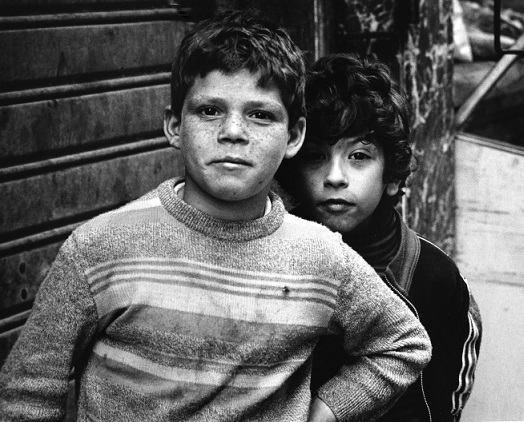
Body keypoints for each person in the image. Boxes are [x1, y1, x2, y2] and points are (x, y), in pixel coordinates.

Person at [0, 12, 432, 422]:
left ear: (295, 135)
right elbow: (27, 394)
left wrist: (323, 413)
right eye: (210, 111)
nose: (233, 132)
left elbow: (402, 344)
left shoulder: (321, 258)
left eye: (260, 115)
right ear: (173, 126)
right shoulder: (101, 248)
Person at [276, 53, 482, 422]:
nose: (335, 177)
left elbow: (444, 402)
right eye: (316, 156)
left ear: (392, 175)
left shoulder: (433, 279)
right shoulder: (274, 263)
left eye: (358, 156)